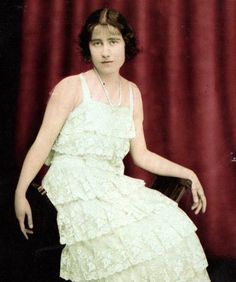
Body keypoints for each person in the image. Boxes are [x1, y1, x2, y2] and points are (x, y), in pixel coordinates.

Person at [15, 7, 211, 281]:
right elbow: (41, 143)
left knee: (173, 227)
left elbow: (141, 155)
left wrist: (188, 172)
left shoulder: (132, 93)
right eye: (97, 43)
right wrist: (20, 192)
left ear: (125, 44)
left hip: (110, 184)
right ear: (89, 48)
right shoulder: (71, 87)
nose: (105, 52)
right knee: (123, 242)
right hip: (71, 183)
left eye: (113, 41)